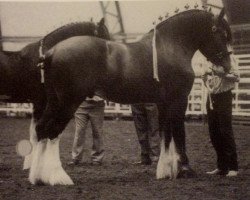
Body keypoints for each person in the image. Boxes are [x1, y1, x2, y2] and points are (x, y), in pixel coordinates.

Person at [202, 64, 239, 177]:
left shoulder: (229, 59)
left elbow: (237, 77)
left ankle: (233, 167)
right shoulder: (209, 61)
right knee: (214, 133)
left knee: (225, 131)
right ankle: (222, 166)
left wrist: (221, 74)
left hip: (224, 96)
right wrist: (205, 78)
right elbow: (206, 79)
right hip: (211, 97)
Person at [68, 95, 105, 166]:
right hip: (81, 103)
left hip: (98, 105)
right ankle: (76, 158)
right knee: (79, 131)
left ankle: (97, 159)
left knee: (97, 132)